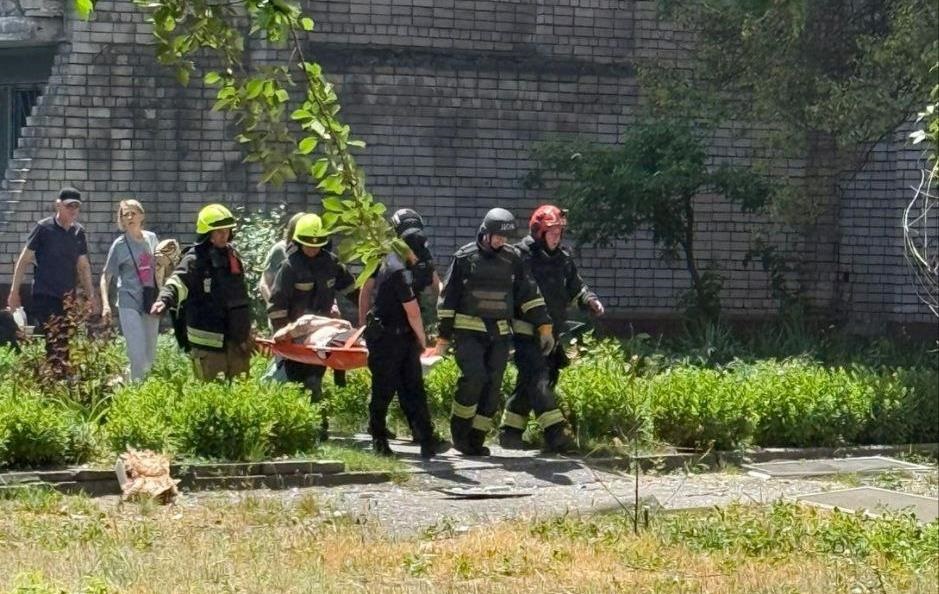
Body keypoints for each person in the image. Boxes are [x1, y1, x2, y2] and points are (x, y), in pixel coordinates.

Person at [436, 208, 552, 456]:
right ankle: (460, 434)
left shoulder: (513, 259)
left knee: (493, 386)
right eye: (498, 236)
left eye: (505, 238)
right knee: (474, 378)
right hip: (468, 332)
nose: (501, 241)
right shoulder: (465, 258)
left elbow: (529, 293)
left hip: (498, 333)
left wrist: (544, 326)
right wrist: (443, 337)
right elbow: (448, 299)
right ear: (485, 233)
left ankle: (476, 439)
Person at [499, 205, 605, 453]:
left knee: (532, 382)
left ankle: (510, 433)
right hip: (526, 333)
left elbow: (576, 286)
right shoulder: (520, 256)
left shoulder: (563, 259)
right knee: (539, 381)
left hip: (553, 334)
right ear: (539, 232)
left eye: (559, 232)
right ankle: (556, 435)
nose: (557, 237)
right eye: (552, 232)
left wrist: (590, 300)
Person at [268, 214, 359, 418]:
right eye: (308, 245)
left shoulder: (331, 264)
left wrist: (368, 312)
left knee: (314, 378)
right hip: (296, 338)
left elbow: (353, 290)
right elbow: (277, 306)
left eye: (317, 245)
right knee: (299, 382)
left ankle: (317, 423)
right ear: (299, 242)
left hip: (320, 337)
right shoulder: (290, 267)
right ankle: (303, 423)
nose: (312, 249)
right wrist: (283, 336)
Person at [363, 244, 448, 459]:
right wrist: (422, 341)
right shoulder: (397, 270)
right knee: (385, 391)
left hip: (403, 338)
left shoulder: (397, 262)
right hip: (388, 339)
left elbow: (435, 283)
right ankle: (380, 440)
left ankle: (426, 440)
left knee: (412, 390)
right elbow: (413, 312)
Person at [150, 203, 252, 381]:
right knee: (212, 392)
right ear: (207, 233)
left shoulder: (233, 257)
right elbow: (178, 282)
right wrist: (163, 300)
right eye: (219, 231)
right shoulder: (194, 259)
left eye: (227, 230)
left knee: (241, 391)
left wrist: (246, 330)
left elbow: (241, 296)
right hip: (208, 342)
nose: (224, 235)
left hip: (235, 340)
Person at [7, 186, 97, 370]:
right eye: (69, 206)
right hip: (45, 294)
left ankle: (56, 376)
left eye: (76, 206)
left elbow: (83, 266)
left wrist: (91, 296)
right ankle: (55, 377)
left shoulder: (78, 232)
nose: (73, 210)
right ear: (58, 205)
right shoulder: (44, 228)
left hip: (68, 298)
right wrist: (14, 292)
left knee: (64, 341)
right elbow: (24, 260)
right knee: (54, 339)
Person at [100, 199, 161, 381]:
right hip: (128, 300)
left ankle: (128, 381)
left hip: (149, 300)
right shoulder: (119, 245)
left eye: (133, 213)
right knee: (136, 351)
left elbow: (161, 268)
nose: (129, 217)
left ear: (142, 216)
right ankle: (136, 391)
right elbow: (106, 276)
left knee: (150, 354)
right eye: (125, 214)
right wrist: (105, 304)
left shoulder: (152, 239)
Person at [258, 211, 305, 305]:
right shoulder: (280, 250)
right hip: (282, 308)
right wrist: (274, 308)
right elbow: (264, 284)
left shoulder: (315, 253)